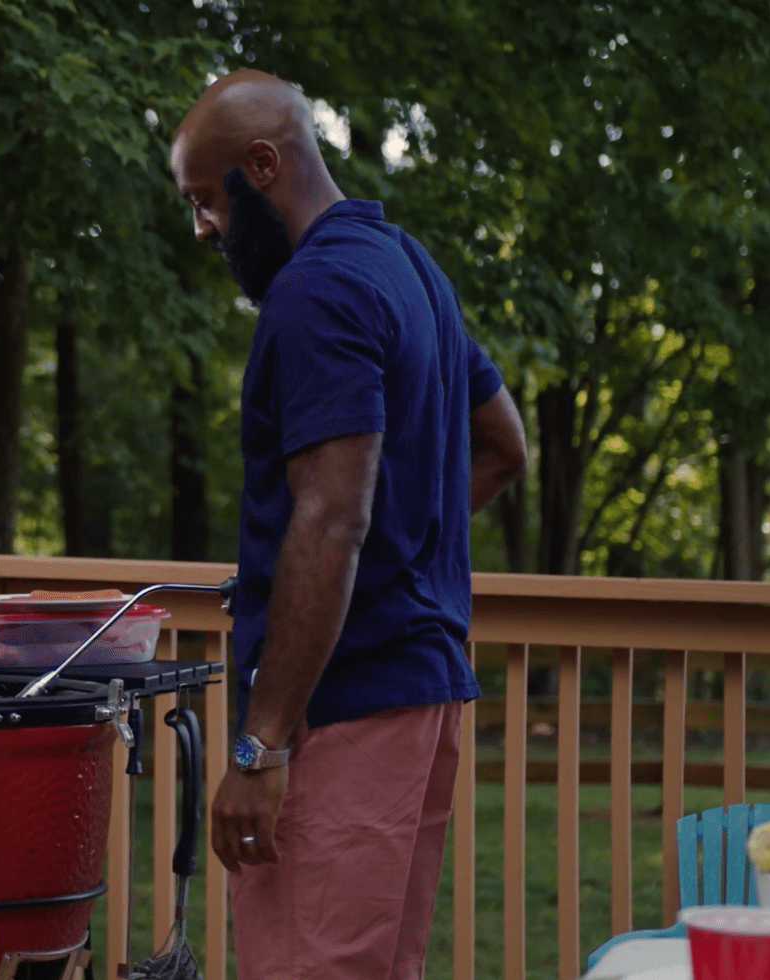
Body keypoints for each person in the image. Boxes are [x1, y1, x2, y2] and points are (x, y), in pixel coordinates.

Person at [168, 70, 528, 979]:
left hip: (343, 711)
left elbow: (331, 518)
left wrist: (261, 745)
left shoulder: (315, 293)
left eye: (207, 200)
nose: (203, 228)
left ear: (263, 164)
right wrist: (388, 553)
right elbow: (501, 445)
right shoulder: (407, 264)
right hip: (421, 699)